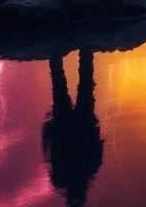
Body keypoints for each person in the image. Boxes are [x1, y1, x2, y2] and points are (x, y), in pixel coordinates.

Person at [41, 49, 104, 207]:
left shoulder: (80, 173)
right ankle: (68, 51)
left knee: (82, 84)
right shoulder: (65, 177)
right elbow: (50, 152)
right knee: (63, 84)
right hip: (74, 126)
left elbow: (50, 151)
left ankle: (81, 49)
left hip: (73, 126)